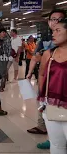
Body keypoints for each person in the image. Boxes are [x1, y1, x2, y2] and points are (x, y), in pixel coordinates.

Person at [26, 9, 66, 149]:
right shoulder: (48, 49)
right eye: (53, 20)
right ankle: (45, 130)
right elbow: (41, 70)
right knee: (57, 144)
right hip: (52, 99)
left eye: (59, 21)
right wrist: (43, 95)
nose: (55, 24)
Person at [37, 18, 67, 154]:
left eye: (58, 30)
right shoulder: (49, 54)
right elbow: (42, 74)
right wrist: (42, 97)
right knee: (57, 145)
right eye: (52, 31)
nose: (53, 34)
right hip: (52, 106)